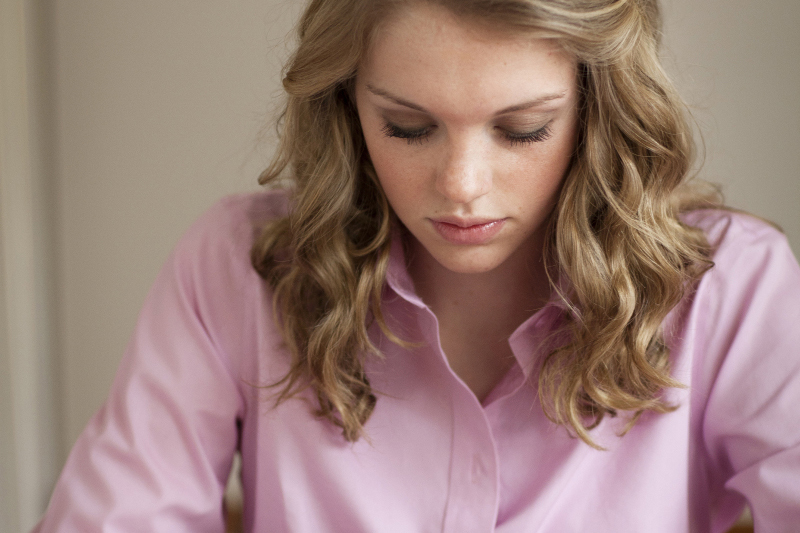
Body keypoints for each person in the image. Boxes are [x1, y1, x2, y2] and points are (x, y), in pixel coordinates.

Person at [35, 0, 800, 531]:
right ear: (346, 105)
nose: (461, 185)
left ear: (598, 110)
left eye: (523, 130)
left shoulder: (730, 289)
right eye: (406, 126)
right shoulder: (238, 268)